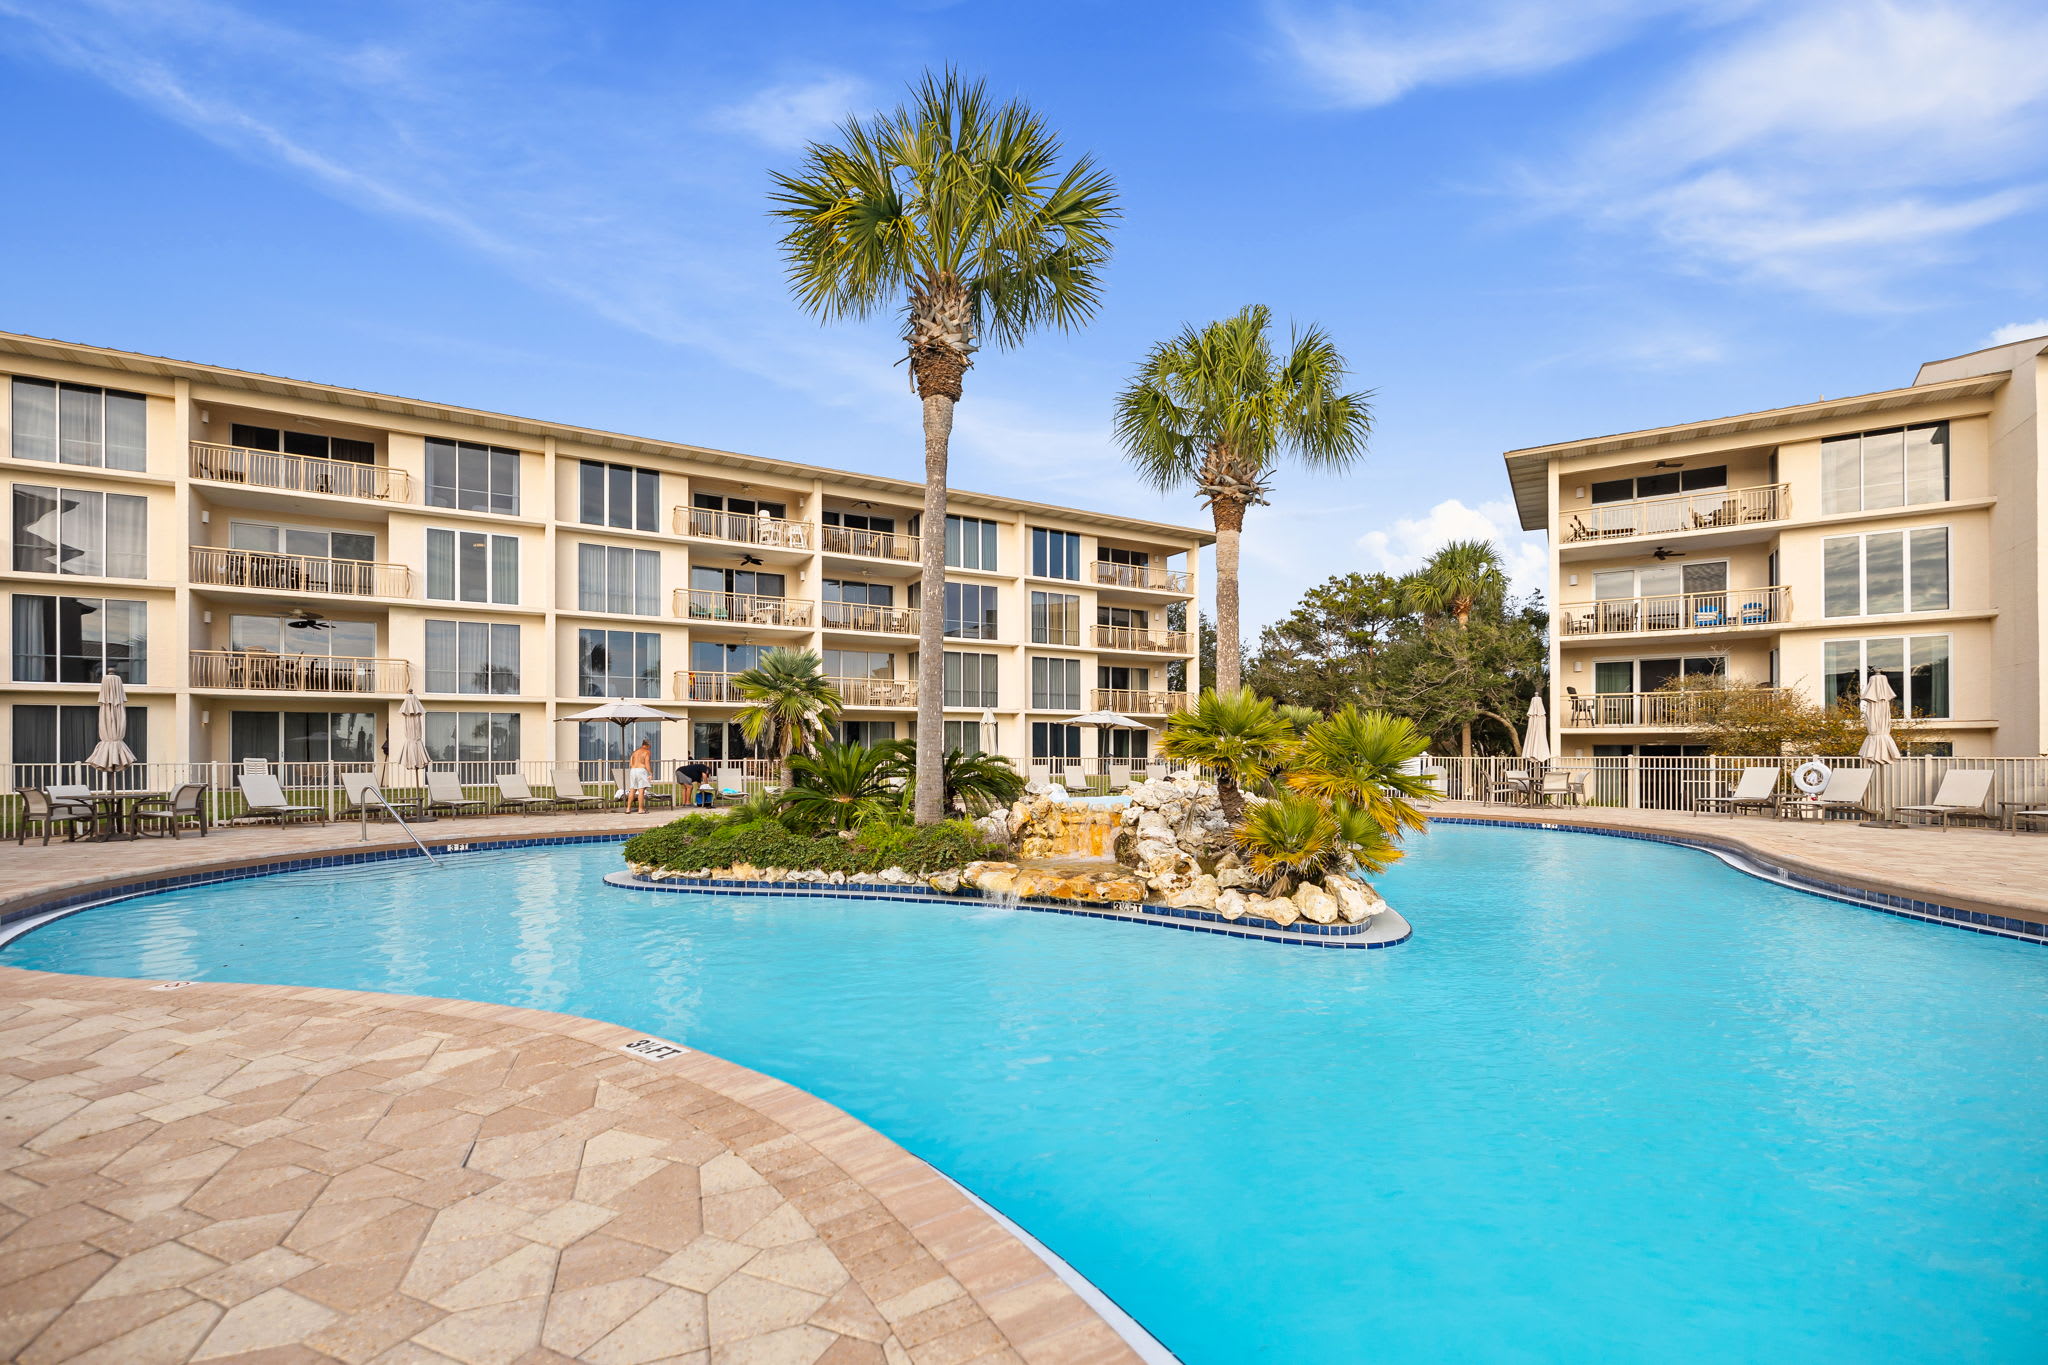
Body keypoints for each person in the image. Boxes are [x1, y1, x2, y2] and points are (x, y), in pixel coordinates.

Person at [625, 739, 654, 813]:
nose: (650, 748)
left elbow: (631, 764)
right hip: (641, 770)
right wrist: (650, 773)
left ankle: (628, 809)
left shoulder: (634, 752)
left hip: (633, 770)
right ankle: (640, 809)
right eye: (650, 746)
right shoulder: (647, 752)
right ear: (648, 745)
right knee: (641, 790)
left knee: (632, 790)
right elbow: (647, 764)